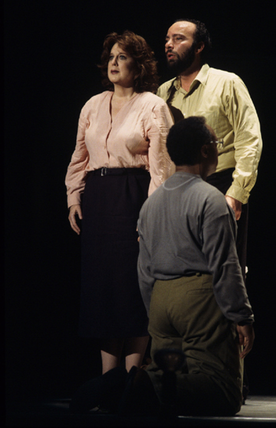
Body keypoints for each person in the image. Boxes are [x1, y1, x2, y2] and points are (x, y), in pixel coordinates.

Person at [69, 116, 255, 417]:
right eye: (217, 145)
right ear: (206, 151)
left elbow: (143, 268)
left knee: (173, 375)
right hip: (199, 301)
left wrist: (153, 310)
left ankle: (126, 382)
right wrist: (242, 316)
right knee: (223, 392)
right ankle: (144, 386)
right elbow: (225, 265)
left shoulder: (151, 205)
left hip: (159, 301)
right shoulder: (211, 200)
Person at [65, 30, 174, 375]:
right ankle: (107, 379)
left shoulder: (152, 105)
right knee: (102, 290)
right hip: (98, 200)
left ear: (138, 64)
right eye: (111, 57)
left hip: (133, 198)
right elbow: (79, 157)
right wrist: (73, 197)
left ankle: (131, 379)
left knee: (131, 289)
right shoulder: (93, 105)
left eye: (122, 57)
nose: (114, 62)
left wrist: (151, 216)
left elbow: (162, 167)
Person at [157, 18, 262, 278]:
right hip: (177, 190)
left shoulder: (227, 83)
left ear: (199, 46)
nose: (169, 45)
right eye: (167, 39)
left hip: (219, 185)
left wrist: (236, 193)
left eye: (179, 39)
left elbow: (249, 139)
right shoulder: (162, 92)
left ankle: (233, 320)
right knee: (185, 272)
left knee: (224, 272)